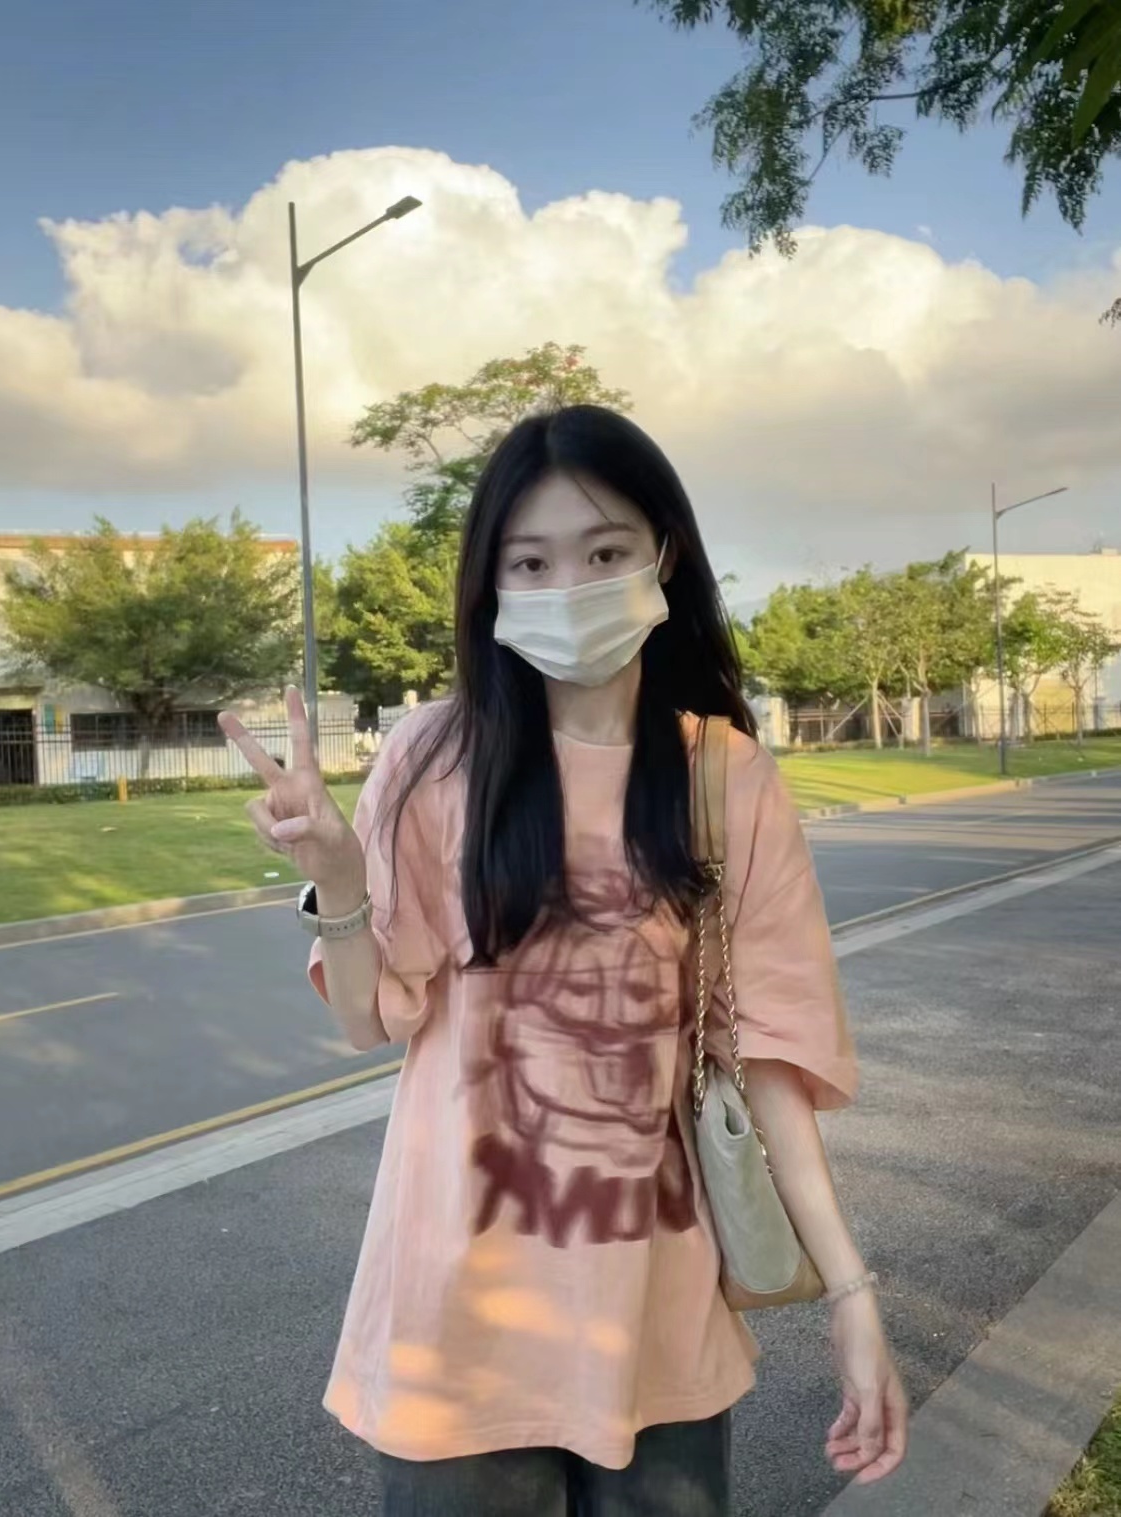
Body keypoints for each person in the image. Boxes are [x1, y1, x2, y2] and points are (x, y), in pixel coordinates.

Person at [221, 405, 907, 1516]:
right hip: (455, 1328)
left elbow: (769, 1060)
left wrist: (851, 1293)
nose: (569, 587)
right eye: (530, 562)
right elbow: (367, 1018)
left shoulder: (722, 774)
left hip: (656, 1320)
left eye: (603, 552)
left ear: (662, 556)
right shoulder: (432, 759)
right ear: (492, 583)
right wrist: (341, 883)